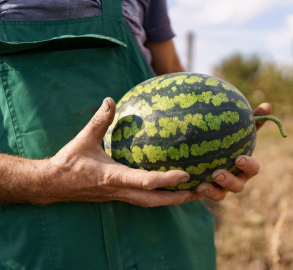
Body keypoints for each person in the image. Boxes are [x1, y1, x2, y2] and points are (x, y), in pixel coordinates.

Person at [0, 1, 272, 269]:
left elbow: (172, 73)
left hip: (163, 238)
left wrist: (221, 139)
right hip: (38, 245)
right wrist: (47, 179)